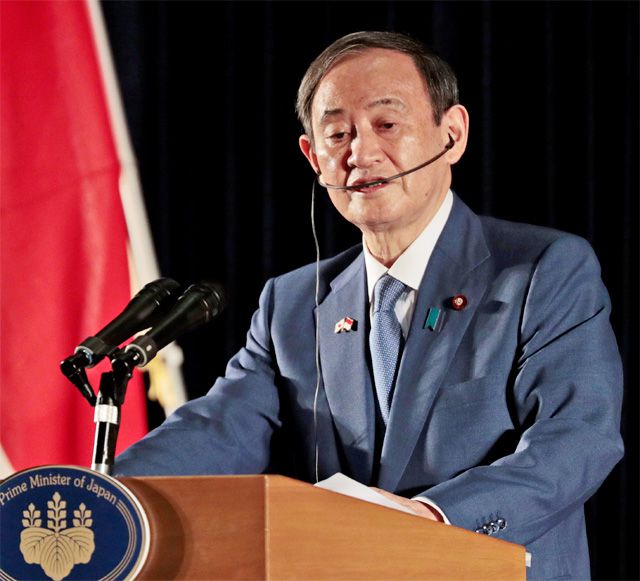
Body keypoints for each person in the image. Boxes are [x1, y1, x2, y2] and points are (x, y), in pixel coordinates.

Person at [115, 31, 624, 579]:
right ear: (314, 157)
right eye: (338, 134)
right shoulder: (293, 302)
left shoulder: (543, 269)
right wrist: (103, 493)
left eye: (387, 124)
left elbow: (577, 439)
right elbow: (219, 430)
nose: (360, 153)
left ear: (452, 134)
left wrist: (432, 517)